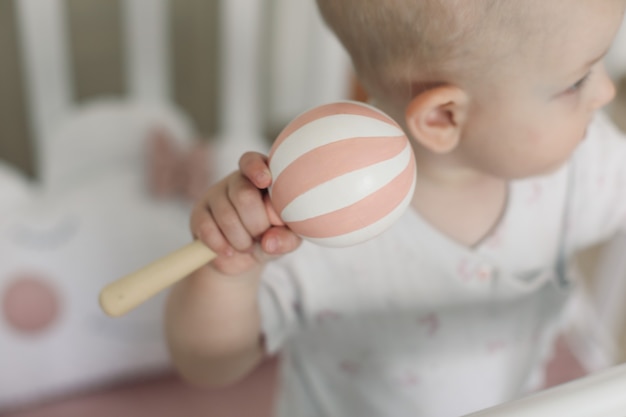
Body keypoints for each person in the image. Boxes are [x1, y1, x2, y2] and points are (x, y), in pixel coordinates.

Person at [165, 0, 626, 415]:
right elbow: (208, 364)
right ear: (444, 117)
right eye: (577, 81)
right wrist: (230, 270)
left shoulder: (581, 168)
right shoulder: (319, 216)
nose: (606, 92)